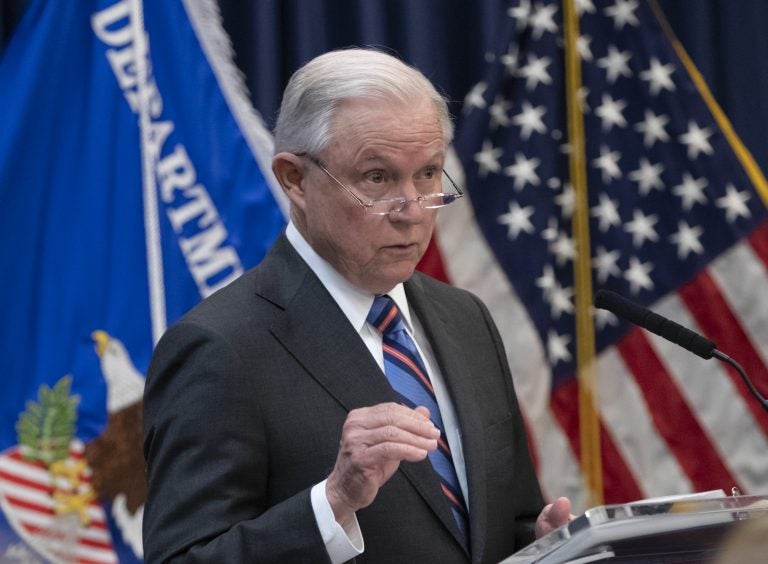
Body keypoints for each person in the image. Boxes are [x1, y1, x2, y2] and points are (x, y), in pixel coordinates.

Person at [142, 47, 572, 563]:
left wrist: (542, 543)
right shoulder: (219, 347)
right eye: (377, 178)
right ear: (294, 180)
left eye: (429, 173)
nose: (412, 211)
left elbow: (495, 525)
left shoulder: (466, 319)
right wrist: (334, 502)